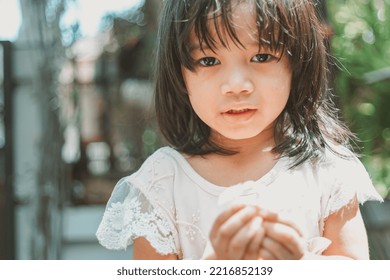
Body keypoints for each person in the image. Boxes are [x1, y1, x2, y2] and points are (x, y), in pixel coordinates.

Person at [96, 0, 383, 260]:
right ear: (179, 74)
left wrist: (300, 265)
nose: (236, 84)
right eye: (209, 60)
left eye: (261, 57)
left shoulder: (326, 169)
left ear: (296, 63)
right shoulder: (162, 183)